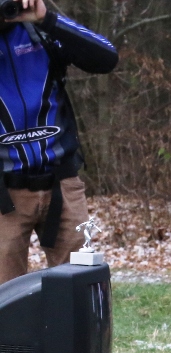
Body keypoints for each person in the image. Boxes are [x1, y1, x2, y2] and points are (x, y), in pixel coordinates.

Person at [0, 0, 118, 285]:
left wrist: (46, 18)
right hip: (4, 193)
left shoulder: (40, 31)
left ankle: (73, 333)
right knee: (5, 298)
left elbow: (106, 58)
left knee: (77, 287)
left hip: (62, 184)